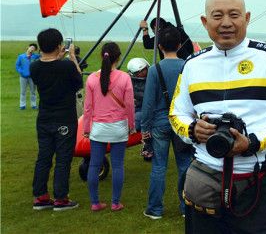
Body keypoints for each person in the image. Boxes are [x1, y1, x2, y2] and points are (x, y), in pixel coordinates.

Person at [169, 0, 266, 233]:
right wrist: (192, 129)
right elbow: (176, 114)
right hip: (205, 180)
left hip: (257, 180)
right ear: (204, 21)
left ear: (247, 18)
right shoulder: (192, 64)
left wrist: (253, 143)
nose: (226, 23)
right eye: (217, 16)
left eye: (234, 15)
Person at [142, 27, 193, 219]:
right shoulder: (188, 66)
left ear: (160, 46)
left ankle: (155, 209)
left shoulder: (155, 70)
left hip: (160, 123)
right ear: (180, 45)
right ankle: (186, 207)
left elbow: (148, 102)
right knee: (185, 165)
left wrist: (145, 128)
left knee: (158, 167)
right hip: (183, 122)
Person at [30, 28, 82, 211]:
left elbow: (50, 68)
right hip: (64, 118)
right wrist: (73, 58)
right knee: (63, 158)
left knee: (43, 157)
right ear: (59, 45)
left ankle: (40, 196)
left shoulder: (34, 66)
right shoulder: (66, 66)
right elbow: (78, 82)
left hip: (44, 118)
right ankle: (61, 198)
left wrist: (59, 57)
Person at [82, 42, 135, 212]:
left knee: (94, 165)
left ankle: (95, 202)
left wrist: (86, 128)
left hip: (98, 128)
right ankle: (115, 202)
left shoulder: (91, 79)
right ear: (118, 57)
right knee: (118, 165)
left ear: (101, 56)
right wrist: (131, 125)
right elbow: (129, 106)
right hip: (119, 127)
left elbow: (88, 107)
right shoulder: (125, 77)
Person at [16, 43, 40, 110]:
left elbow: (42, 55)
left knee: (33, 92)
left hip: (32, 77)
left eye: (34, 49)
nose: (32, 49)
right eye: (31, 47)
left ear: (34, 50)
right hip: (23, 77)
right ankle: (22, 106)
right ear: (28, 47)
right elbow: (17, 65)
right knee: (23, 92)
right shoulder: (21, 56)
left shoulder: (35, 56)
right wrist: (21, 72)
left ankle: (34, 105)